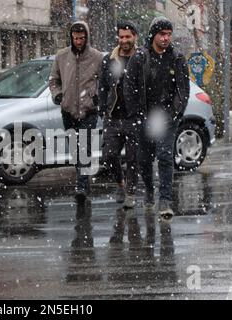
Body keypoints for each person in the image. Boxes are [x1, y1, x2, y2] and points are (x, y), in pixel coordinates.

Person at [124, 16, 190, 218]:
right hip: (144, 117)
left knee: (165, 156)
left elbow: (183, 91)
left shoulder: (177, 59)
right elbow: (129, 88)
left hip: (168, 119)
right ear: (154, 35)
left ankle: (165, 200)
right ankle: (150, 191)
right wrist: (136, 114)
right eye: (162, 34)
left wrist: (174, 113)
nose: (166, 38)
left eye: (169, 35)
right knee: (144, 159)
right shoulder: (140, 58)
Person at [49, 21, 104, 201]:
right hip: (68, 110)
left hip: (89, 110)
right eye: (75, 38)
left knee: (85, 148)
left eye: (81, 38)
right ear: (71, 38)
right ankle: (84, 180)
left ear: (87, 37)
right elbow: (54, 80)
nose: (78, 41)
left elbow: (104, 82)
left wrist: (97, 97)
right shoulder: (62, 56)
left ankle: (81, 186)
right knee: (75, 150)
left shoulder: (96, 57)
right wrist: (58, 95)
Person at [98, 21, 139, 208]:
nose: (124, 40)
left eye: (127, 37)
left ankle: (131, 193)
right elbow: (103, 87)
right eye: (121, 37)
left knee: (133, 158)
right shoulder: (109, 59)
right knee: (108, 155)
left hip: (134, 117)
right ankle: (121, 183)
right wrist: (102, 108)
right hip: (113, 116)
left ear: (134, 37)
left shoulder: (141, 59)